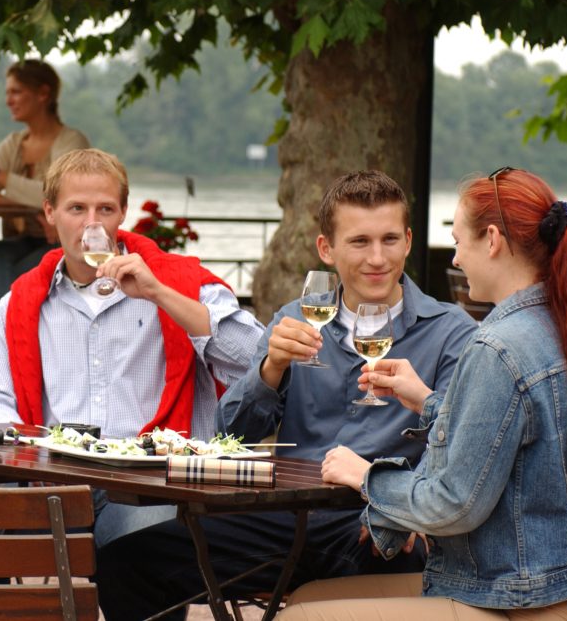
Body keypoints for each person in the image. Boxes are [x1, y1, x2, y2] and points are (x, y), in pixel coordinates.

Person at [95, 169, 479, 620]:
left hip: (376, 524)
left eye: (389, 239)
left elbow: (465, 447)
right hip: (288, 520)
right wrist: (269, 369)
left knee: (400, 555)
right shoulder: (296, 318)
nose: (377, 258)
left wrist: (407, 506)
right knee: (128, 560)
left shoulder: (452, 332)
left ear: (409, 241)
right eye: (359, 242)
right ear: (326, 249)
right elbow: (229, 434)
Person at [273, 168, 567, 621]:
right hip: (549, 588)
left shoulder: (497, 346)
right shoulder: (557, 323)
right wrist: (428, 400)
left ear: (491, 240)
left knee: (300, 618)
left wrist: (365, 477)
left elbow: (455, 504)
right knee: (306, 598)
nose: (455, 259)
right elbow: (507, 432)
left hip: (512, 599)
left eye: (457, 241)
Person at [0, 148, 265, 547]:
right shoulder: (19, 301)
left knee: (143, 549)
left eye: (104, 209)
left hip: (151, 485)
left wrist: (159, 293)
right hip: (55, 480)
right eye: (76, 209)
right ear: (49, 213)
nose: (92, 224)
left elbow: (260, 359)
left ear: (123, 212)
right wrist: (30, 447)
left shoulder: (176, 282)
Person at [0, 59, 90, 347]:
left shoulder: (70, 142)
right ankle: (4, 357)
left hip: (58, 244)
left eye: (16, 92)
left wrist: (2, 178)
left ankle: (3, 359)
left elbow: (61, 194)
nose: (8, 100)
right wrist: (35, 208)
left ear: (43, 94)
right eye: (7, 93)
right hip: (21, 239)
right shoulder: (13, 143)